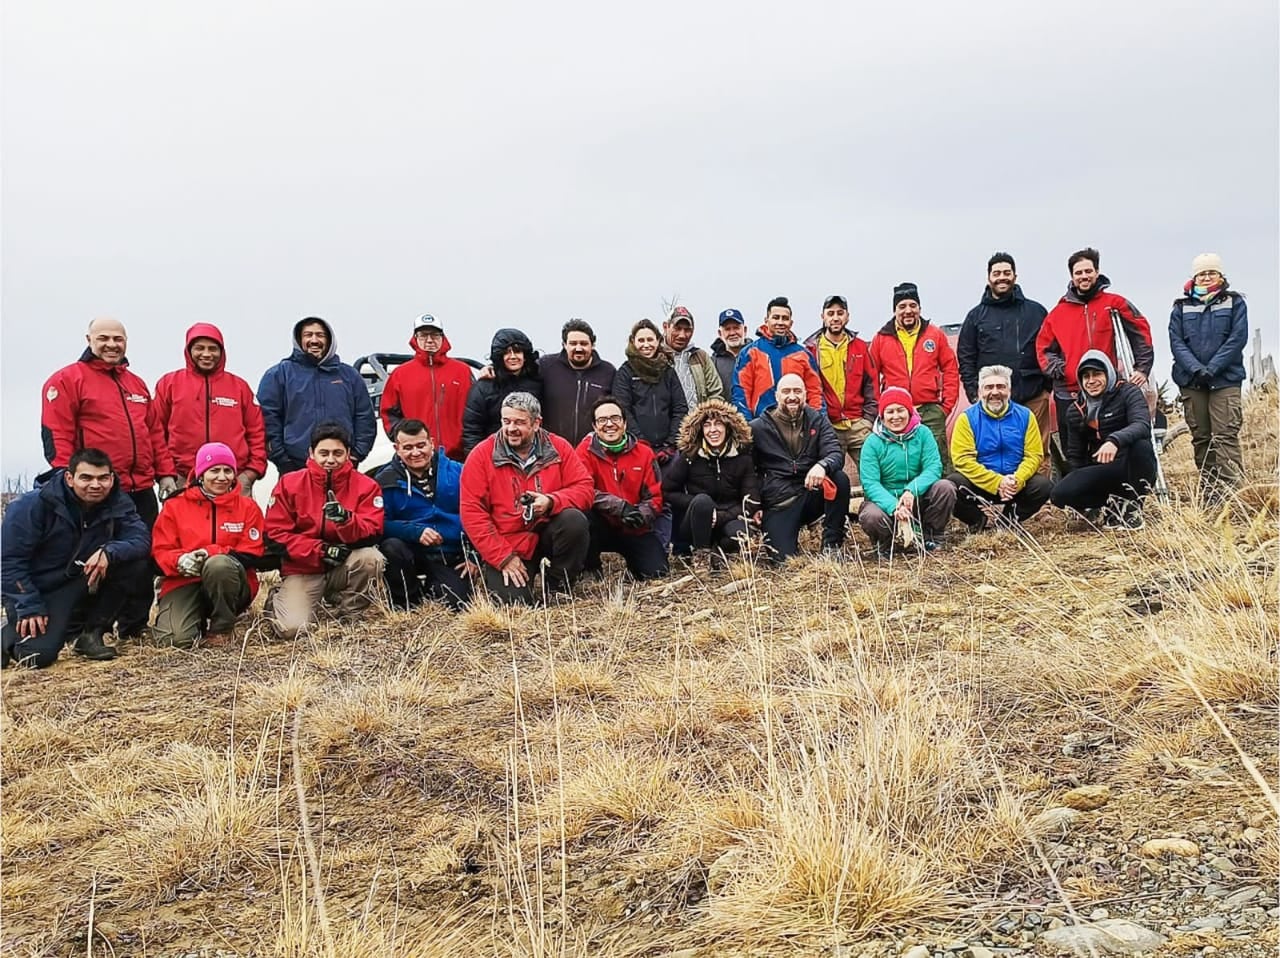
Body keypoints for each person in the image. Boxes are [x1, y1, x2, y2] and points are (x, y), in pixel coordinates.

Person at [41, 317, 176, 639]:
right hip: (96, 489)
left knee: (142, 556)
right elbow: (56, 433)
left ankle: (134, 625)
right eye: (104, 338)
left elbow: (155, 433)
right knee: (91, 557)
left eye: (118, 338)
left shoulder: (137, 385)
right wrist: (66, 478)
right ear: (89, 339)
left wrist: (166, 474)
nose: (112, 344)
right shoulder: (67, 380)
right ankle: (82, 629)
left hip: (140, 486)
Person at [2, 449, 151, 668]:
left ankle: (91, 634)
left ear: (111, 478)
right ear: (69, 478)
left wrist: (109, 551)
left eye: (103, 478)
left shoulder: (118, 502)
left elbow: (141, 539)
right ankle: (6, 636)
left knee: (136, 563)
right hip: (39, 588)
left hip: (80, 579)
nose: (95, 485)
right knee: (36, 657)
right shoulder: (31, 506)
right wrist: (29, 605)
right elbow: (9, 561)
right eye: (86, 478)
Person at [459, 392, 594, 605]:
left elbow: (585, 489)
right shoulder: (481, 456)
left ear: (536, 423)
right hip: (509, 542)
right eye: (506, 421)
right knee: (515, 605)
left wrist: (551, 502)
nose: (511, 428)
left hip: (550, 529)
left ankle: (559, 585)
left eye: (520, 422)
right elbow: (472, 513)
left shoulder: (559, 447)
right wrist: (503, 558)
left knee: (574, 521)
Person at [264, 422, 386, 638]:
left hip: (343, 563)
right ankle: (279, 597)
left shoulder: (366, 486)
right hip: (303, 568)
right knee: (292, 630)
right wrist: (321, 550)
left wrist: (346, 521)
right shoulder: (289, 484)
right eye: (324, 453)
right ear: (311, 453)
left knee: (371, 558)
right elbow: (275, 535)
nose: (331, 459)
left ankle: (350, 611)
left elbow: (374, 531)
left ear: (348, 454)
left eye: (338, 453)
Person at [1035, 248, 1154, 456]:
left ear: (1097, 272)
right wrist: (1064, 370)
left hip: (1108, 389)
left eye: (1088, 271)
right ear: (1072, 276)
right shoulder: (1057, 313)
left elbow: (1140, 332)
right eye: (1079, 272)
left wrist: (1142, 368)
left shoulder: (1114, 303)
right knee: (1074, 449)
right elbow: (1043, 349)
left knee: (1112, 443)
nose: (1084, 276)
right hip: (1069, 392)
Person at [150, 442, 266, 647]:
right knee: (173, 640)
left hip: (229, 582)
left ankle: (221, 628)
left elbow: (253, 552)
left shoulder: (248, 507)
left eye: (228, 471)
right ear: (200, 474)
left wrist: (209, 553)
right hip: (183, 581)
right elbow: (159, 551)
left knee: (218, 564)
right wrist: (180, 561)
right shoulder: (174, 506)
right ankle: (194, 618)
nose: (222, 477)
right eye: (214, 470)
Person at [957, 253, 1051, 471]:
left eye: (1006, 273)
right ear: (989, 278)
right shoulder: (975, 317)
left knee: (1038, 454)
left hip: (1033, 396)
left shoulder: (1036, 312)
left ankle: (1039, 504)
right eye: (996, 273)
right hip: (993, 401)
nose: (1002, 277)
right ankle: (994, 503)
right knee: (992, 452)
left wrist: (1047, 388)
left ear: (1015, 276)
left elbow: (1050, 349)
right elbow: (966, 357)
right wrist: (973, 393)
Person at [1168, 253, 1249, 500]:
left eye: (1211, 272)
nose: (1206, 277)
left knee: (1225, 435)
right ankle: (1211, 491)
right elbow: (1176, 341)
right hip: (1192, 381)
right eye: (1202, 273)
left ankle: (1235, 493)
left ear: (1220, 275)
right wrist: (1196, 369)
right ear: (1194, 277)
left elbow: (1237, 338)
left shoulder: (1235, 303)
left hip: (1225, 379)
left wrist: (1212, 367)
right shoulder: (1181, 307)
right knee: (1201, 437)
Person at [154, 322, 268, 497]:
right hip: (183, 479)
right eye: (199, 348)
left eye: (213, 349)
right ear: (188, 350)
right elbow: (156, 432)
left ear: (221, 352)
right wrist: (167, 474)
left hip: (232, 479)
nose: (206, 354)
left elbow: (257, 433)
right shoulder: (169, 384)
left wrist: (251, 473)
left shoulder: (239, 387)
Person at [1050, 351, 1158, 529]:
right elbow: (1075, 455)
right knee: (1060, 494)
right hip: (1102, 469)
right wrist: (1079, 488)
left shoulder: (1128, 392)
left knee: (1142, 446)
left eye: (1097, 374)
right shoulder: (1076, 409)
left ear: (1108, 373)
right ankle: (1109, 505)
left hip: (1132, 465)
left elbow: (1142, 425)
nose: (1091, 381)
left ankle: (1133, 506)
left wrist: (1115, 441)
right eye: (1086, 376)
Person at [376, 419, 474, 611]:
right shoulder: (385, 480)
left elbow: (479, 514)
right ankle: (407, 600)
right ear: (397, 448)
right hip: (411, 552)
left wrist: (474, 556)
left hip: (451, 553)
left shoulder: (458, 472)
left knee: (455, 604)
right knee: (391, 547)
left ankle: (435, 587)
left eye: (421, 445)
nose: (416, 453)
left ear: (432, 443)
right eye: (408, 447)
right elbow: (379, 524)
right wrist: (415, 532)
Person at [258, 316, 377, 475]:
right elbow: (267, 418)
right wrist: (282, 459)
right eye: (308, 335)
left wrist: (356, 455)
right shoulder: (278, 375)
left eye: (320, 335)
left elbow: (365, 417)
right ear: (299, 339)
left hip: (343, 467)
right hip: (295, 468)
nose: (314, 340)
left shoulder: (349, 376)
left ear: (329, 340)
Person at [751, 373, 850, 561]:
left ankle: (832, 545)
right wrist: (754, 505)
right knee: (783, 561)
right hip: (780, 501)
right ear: (777, 396)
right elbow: (748, 471)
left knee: (839, 479)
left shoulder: (818, 421)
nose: (792, 396)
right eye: (786, 391)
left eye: (797, 391)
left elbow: (835, 452)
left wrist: (822, 465)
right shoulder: (757, 428)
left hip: (810, 491)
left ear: (805, 394)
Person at [947, 365, 1052, 531]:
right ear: (980, 391)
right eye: (989, 387)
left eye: (1001, 387)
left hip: (1014, 484)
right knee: (952, 485)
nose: (995, 392)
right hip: (981, 484)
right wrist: (997, 483)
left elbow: (1034, 455)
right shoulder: (966, 419)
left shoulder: (1026, 416)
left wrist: (1016, 480)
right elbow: (962, 460)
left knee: (1043, 485)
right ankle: (978, 520)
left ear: (1009, 390)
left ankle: (1008, 521)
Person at [870, 283, 960, 472]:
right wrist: (881, 407)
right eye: (902, 307)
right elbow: (870, 376)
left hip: (930, 411)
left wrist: (946, 406)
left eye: (913, 305)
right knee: (901, 463)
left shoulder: (935, 335)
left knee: (940, 463)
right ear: (895, 310)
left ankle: (946, 499)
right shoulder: (881, 338)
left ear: (920, 308)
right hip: (896, 413)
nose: (908, 311)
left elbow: (950, 368)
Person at [576, 397, 669, 580]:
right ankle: (591, 567)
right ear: (594, 427)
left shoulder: (644, 453)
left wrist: (641, 514)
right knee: (580, 516)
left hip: (633, 525)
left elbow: (655, 497)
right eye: (602, 420)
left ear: (625, 423)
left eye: (615, 418)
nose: (609, 424)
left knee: (657, 572)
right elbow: (583, 491)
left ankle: (635, 568)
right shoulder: (584, 451)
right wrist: (620, 507)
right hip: (600, 524)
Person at [856, 387, 956, 556]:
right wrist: (894, 506)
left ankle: (931, 537)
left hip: (917, 499)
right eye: (890, 412)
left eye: (901, 410)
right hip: (886, 503)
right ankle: (885, 544)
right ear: (882, 416)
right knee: (871, 515)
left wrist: (912, 490)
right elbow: (870, 483)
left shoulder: (923, 433)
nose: (896, 417)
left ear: (909, 412)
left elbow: (934, 468)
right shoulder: (872, 443)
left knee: (945, 487)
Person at [662, 398, 760, 570]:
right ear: (700, 429)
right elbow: (667, 491)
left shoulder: (743, 457)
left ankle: (720, 551)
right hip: (696, 521)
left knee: (743, 537)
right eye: (707, 425)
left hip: (731, 516)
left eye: (718, 424)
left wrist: (720, 516)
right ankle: (701, 556)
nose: (713, 430)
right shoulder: (690, 456)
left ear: (728, 427)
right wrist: (698, 506)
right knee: (703, 501)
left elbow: (751, 500)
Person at [803, 294, 878, 486]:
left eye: (840, 313)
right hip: (829, 426)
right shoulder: (811, 350)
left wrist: (869, 419)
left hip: (858, 425)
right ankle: (838, 515)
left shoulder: (860, 347)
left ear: (847, 316)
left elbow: (871, 384)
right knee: (830, 478)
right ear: (823, 317)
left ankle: (874, 512)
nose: (835, 317)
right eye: (831, 313)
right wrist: (819, 422)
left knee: (873, 473)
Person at [379, 313, 474, 460]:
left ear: (443, 338)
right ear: (415, 338)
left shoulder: (462, 371)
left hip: (459, 457)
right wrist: (405, 440)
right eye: (423, 335)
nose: (429, 340)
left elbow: (476, 411)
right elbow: (389, 413)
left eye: (435, 335)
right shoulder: (400, 374)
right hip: (416, 458)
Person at [732, 296, 823, 419]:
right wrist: (747, 428)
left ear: (791, 323)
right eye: (776, 318)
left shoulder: (804, 355)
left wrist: (816, 424)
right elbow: (741, 394)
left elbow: (815, 393)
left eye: (785, 319)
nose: (780, 322)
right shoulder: (750, 353)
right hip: (762, 426)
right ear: (766, 320)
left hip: (797, 427)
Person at [612, 319, 688, 462]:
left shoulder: (668, 371)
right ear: (633, 342)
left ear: (658, 341)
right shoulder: (625, 373)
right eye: (641, 340)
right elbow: (622, 410)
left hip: (668, 451)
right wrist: (640, 443)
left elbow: (680, 408)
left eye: (650, 340)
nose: (646, 345)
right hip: (636, 449)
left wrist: (670, 444)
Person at [462, 328, 542, 455]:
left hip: (532, 455)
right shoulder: (483, 387)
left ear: (525, 355)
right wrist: (476, 462)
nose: (513, 356)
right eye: (506, 353)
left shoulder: (539, 381)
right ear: (499, 356)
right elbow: (472, 431)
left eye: (517, 351)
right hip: (495, 456)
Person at [538, 319, 617, 444]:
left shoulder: (608, 372)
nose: (578, 348)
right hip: (551, 450)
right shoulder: (545, 367)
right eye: (573, 343)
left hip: (592, 452)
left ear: (593, 344)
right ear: (564, 344)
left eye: (584, 343)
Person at [664, 306, 724, 407]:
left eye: (687, 330)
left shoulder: (701, 357)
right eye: (677, 329)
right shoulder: (656, 357)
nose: (682, 335)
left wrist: (707, 418)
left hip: (697, 420)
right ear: (666, 327)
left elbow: (716, 394)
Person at [710, 308, 752, 396]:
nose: (732, 333)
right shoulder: (712, 363)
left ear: (745, 330)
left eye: (736, 328)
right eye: (727, 329)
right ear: (720, 334)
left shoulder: (757, 356)